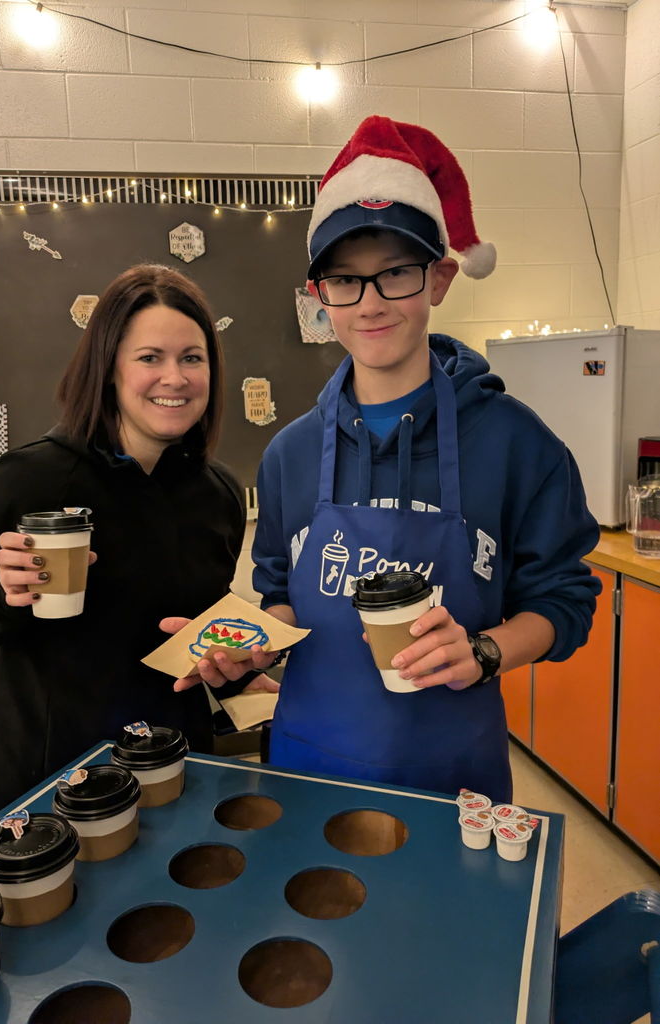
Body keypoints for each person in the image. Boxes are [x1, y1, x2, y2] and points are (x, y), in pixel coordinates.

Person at [175, 117, 601, 803]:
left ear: (438, 279)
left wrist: (485, 652)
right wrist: (249, 644)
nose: (370, 303)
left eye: (395, 274)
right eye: (345, 281)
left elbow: (563, 599)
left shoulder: (516, 444)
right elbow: (282, 597)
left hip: (452, 772)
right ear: (319, 298)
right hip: (309, 760)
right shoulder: (288, 454)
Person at [0, 263, 256, 832]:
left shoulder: (217, 494)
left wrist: (235, 665)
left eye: (192, 358)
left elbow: (197, 621)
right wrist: (1, 592)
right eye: (150, 358)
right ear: (109, 369)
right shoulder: (30, 477)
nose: (176, 377)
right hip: (45, 783)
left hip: (172, 769)